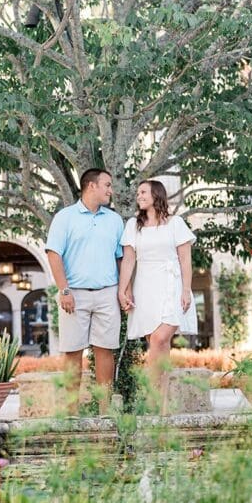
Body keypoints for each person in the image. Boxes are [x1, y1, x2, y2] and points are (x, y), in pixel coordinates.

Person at [45, 169, 124, 411]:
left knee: (105, 350)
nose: (111, 190)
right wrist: (64, 290)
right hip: (74, 294)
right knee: (72, 351)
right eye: (107, 185)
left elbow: (120, 258)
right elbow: (54, 254)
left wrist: (124, 290)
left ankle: (104, 411)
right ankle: (71, 412)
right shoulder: (65, 217)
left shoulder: (114, 220)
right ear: (91, 186)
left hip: (108, 293)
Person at [118, 179, 197, 409]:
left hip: (171, 285)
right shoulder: (133, 225)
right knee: (158, 346)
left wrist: (186, 290)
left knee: (160, 338)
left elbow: (185, 259)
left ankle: (148, 396)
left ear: (156, 194)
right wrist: (123, 290)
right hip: (145, 287)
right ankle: (162, 406)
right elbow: (128, 260)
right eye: (138, 193)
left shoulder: (175, 223)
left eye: (143, 192)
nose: (139, 196)